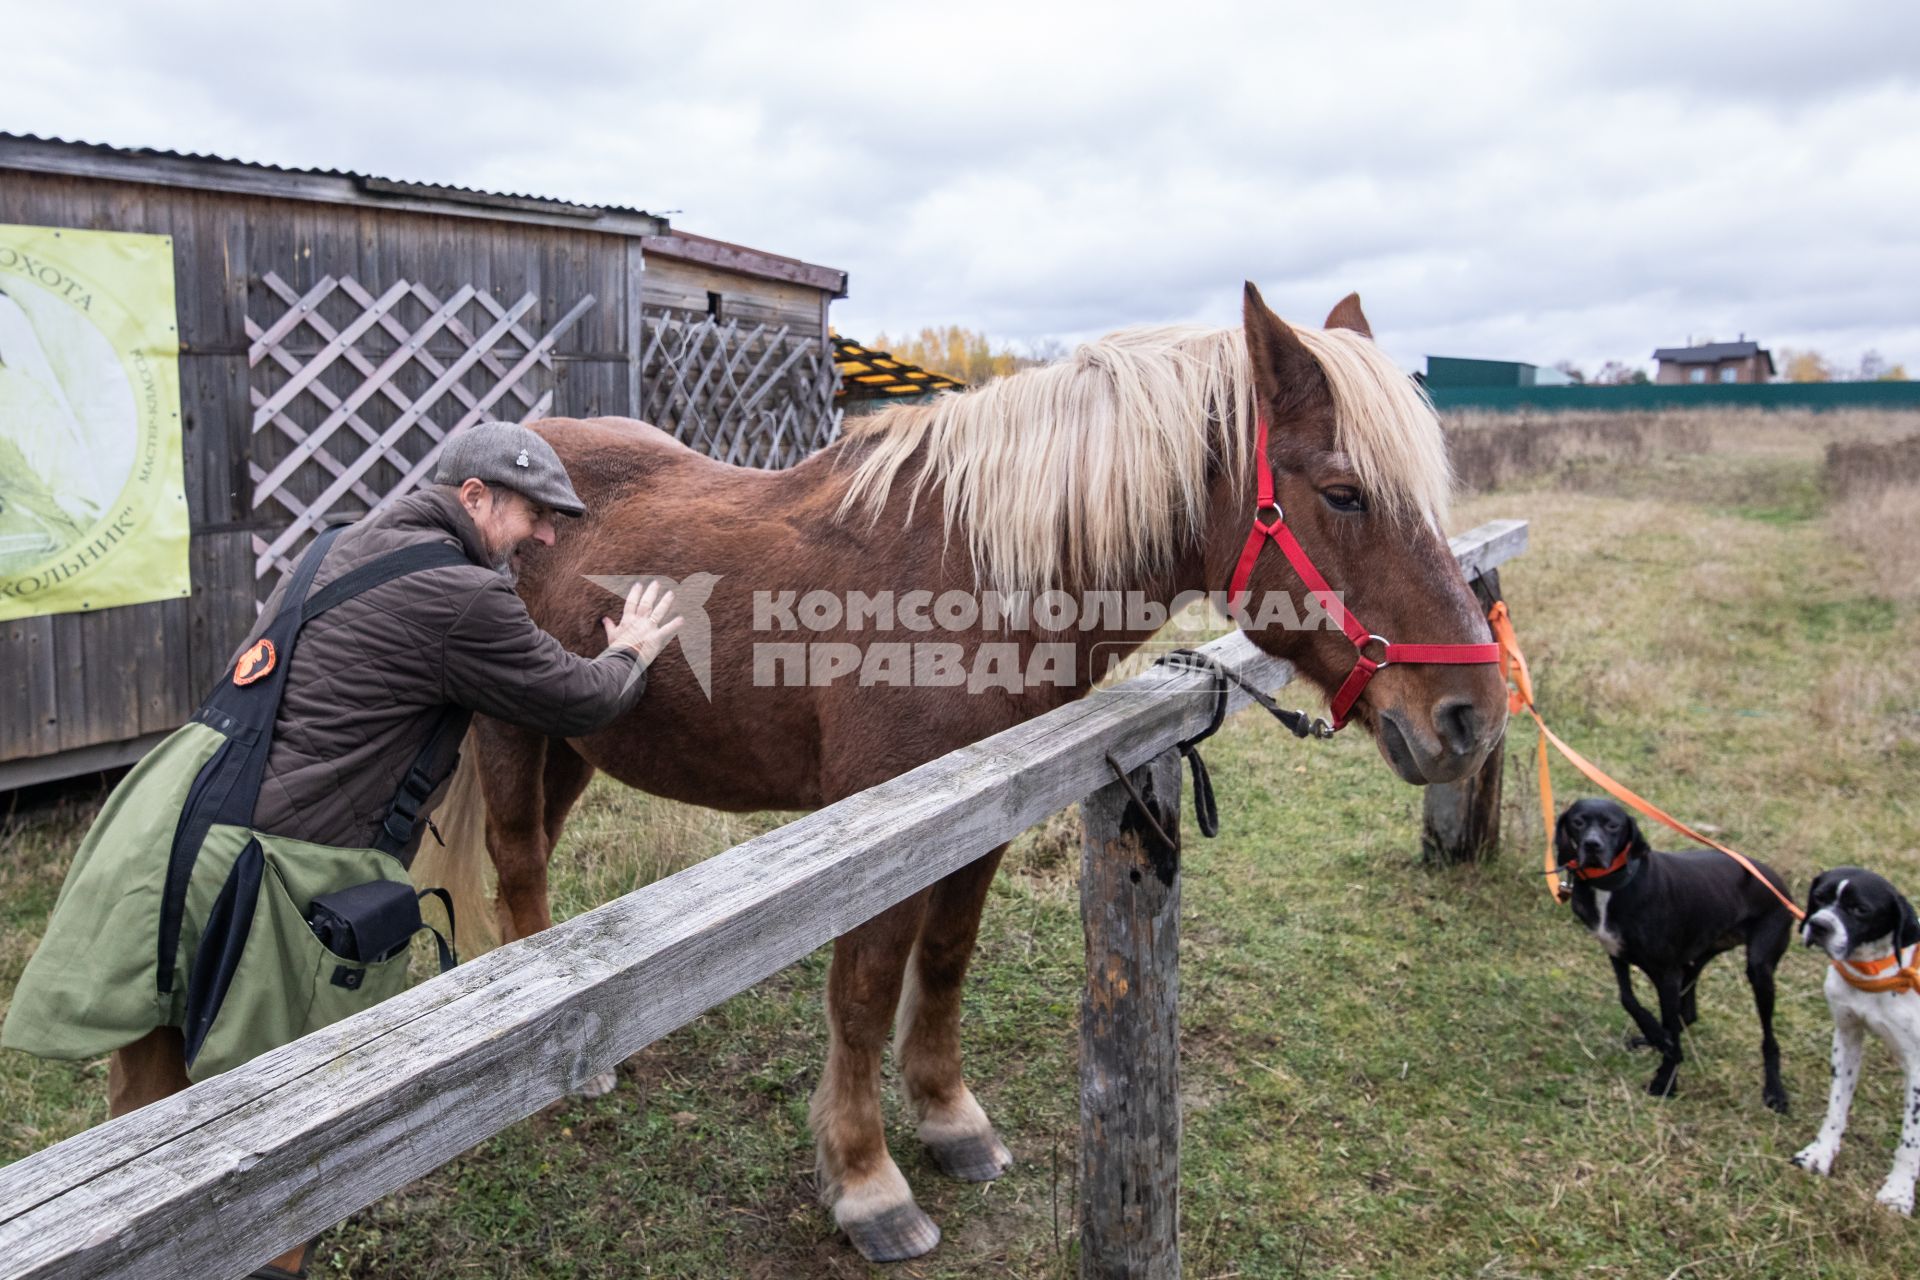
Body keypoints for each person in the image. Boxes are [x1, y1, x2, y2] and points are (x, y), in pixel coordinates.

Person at [6, 421, 680, 1280]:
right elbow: (575, 698)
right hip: (271, 866)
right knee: (275, 1112)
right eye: (536, 514)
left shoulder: (336, 544)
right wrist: (630, 652)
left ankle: (131, 1250)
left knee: (150, 1088)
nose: (548, 536)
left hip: (173, 821)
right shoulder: (465, 599)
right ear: (474, 498)